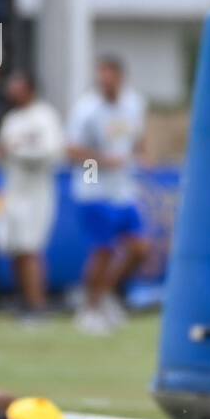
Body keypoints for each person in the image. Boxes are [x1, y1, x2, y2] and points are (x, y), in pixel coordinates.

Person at [66, 56, 149, 335]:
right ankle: (90, 308)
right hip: (94, 190)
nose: (105, 82)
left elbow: (137, 140)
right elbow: (72, 151)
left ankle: (106, 296)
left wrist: (141, 157)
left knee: (140, 249)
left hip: (124, 190)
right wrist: (102, 160)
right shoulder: (86, 109)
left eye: (109, 76)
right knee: (102, 250)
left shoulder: (134, 103)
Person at [0, 71, 64, 320]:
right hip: (14, 189)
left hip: (36, 192)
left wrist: (19, 151)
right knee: (15, 247)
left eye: (17, 86)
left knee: (31, 247)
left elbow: (52, 152)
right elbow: (1, 151)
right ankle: (23, 300)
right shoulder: (11, 119)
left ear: (30, 88)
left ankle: (38, 305)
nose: (12, 91)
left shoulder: (45, 116)